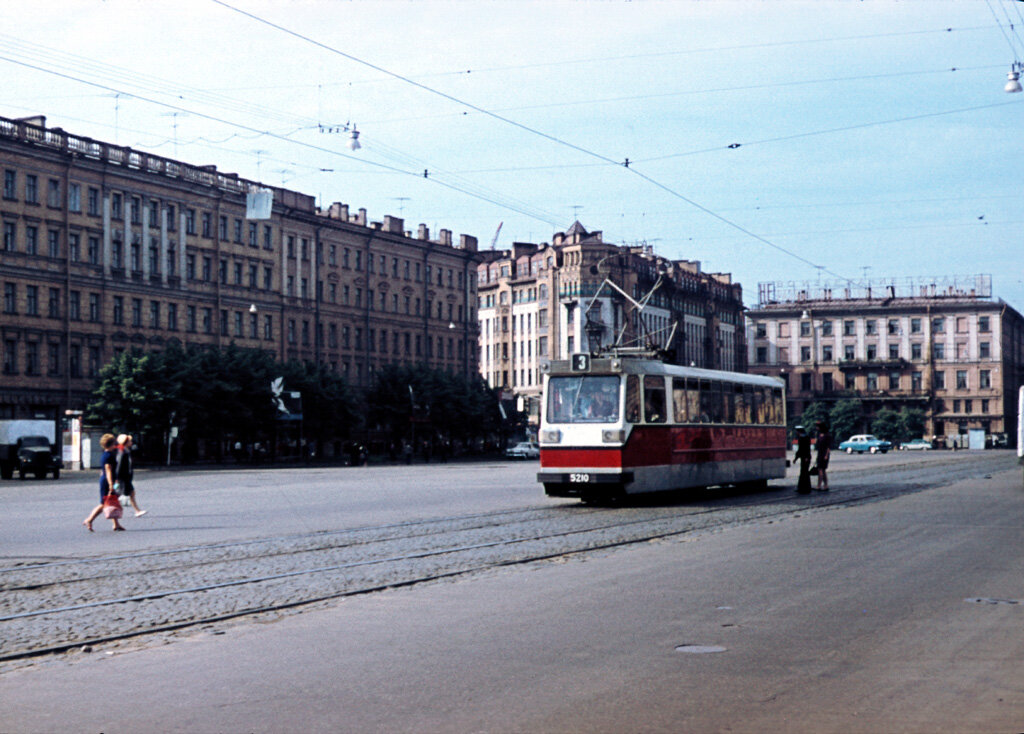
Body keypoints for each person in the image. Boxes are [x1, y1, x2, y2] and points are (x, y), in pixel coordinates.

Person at [83, 433, 125, 531]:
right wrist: (111, 484)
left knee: (112, 501)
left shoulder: (107, 454)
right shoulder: (108, 456)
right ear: (112, 443)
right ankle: (89, 520)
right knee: (104, 503)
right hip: (107, 481)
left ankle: (116, 524)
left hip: (108, 480)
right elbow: (108, 470)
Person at [116, 434, 146, 517]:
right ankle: (110, 507)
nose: (131, 442)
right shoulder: (122, 452)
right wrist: (117, 478)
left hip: (126, 477)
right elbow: (119, 465)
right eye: (129, 441)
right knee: (119, 493)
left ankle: (137, 510)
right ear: (125, 442)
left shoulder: (126, 451)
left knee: (131, 493)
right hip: (123, 477)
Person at [794, 425, 812, 494]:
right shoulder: (806, 437)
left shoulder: (802, 438)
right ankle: (804, 487)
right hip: (805, 457)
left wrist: (796, 458)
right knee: (804, 472)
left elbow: (804, 449)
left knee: (804, 472)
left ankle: (803, 487)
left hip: (805, 457)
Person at [815, 421, 832, 492]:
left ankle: (819, 485)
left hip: (824, 454)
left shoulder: (827, 435)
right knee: (823, 470)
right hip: (820, 453)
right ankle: (825, 485)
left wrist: (826, 455)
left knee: (821, 470)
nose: (816, 428)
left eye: (817, 426)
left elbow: (828, 447)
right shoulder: (819, 435)